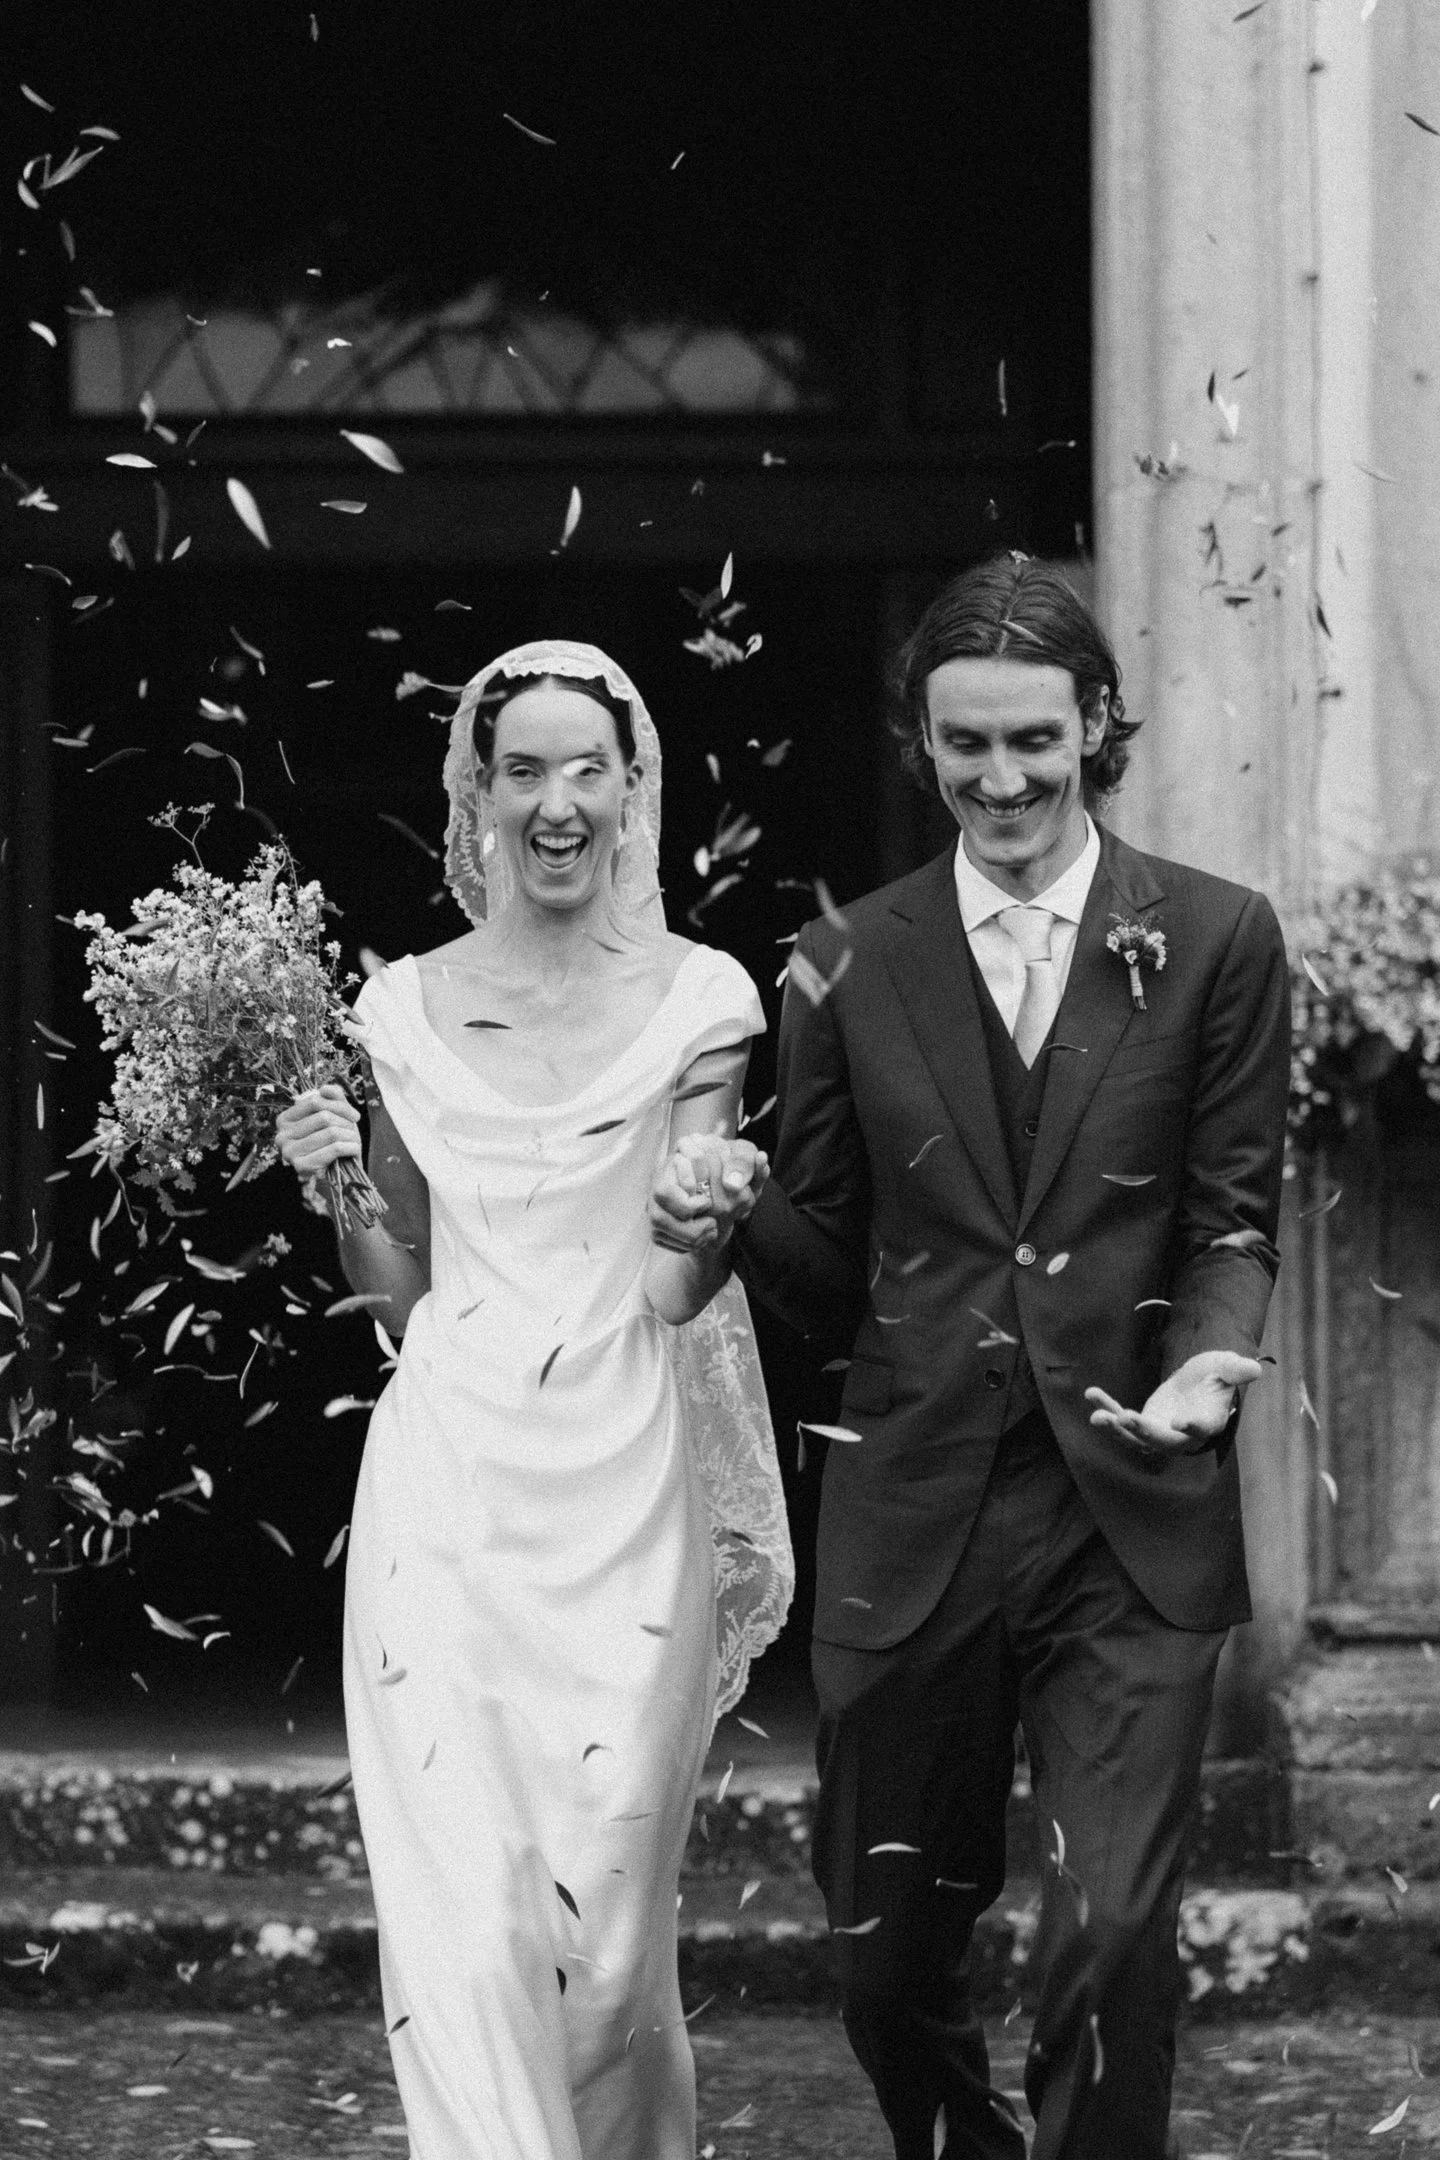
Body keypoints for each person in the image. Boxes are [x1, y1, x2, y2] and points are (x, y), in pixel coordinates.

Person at [651, 559, 1291, 2160]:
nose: (1001, 781)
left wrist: (1210, 1364)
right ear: (918, 745)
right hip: (912, 1511)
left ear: (1098, 727)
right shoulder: (844, 961)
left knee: (1112, 1937)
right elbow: (822, 1275)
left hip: (1127, 1508)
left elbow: (1228, 1217)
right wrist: (728, 1210)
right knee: (881, 1970)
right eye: (964, 747)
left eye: (1034, 742)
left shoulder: (1215, 939)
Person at [276, 640, 791, 2160]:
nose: (556, 802)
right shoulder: (401, 1008)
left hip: (627, 1479)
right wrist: (332, 1188)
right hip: (446, 1485)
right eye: (523, 771)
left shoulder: (708, 998)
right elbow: (403, 1292)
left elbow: (675, 1292)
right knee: (463, 1918)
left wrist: (706, 1223)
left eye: (587, 769)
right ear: (478, 796)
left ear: (633, 789)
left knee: (608, 1950)